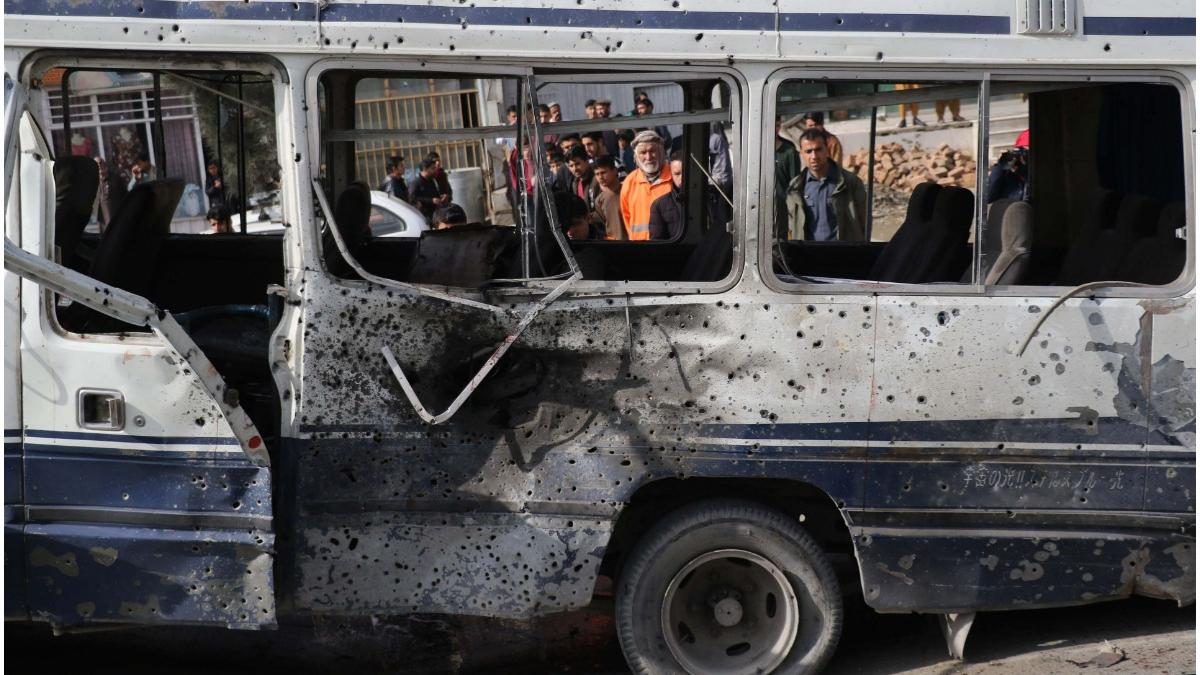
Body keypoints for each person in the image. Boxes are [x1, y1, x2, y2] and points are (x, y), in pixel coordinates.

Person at [785, 128, 868, 242]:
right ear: (802, 154)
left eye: (818, 149)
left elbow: (865, 221)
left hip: (843, 254)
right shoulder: (795, 187)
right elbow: (792, 226)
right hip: (808, 255)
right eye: (808, 151)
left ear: (827, 150)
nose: (814, 156)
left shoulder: (850, 182)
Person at [619, 130, 672, 240]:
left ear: (661, 152)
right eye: (643, 153)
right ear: (636, 156)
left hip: (669, 246)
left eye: (652, 151)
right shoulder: (630, 181)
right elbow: (626, 217)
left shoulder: (674, 177)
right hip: (640, 249)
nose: (648, 157)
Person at [774, 116, 802, 236]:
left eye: (775, 125)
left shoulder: (789, 152)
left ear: (779, 127)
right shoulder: (755, 151)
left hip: (783, 211)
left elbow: (795, 185)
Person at [649, 151, 685, 240]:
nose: (682, 178)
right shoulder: (659, 205)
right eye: (677, 174)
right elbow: (657, 243)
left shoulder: (711, 198)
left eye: (685, 172)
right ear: (671, 175)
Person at [987, 132, 1029, 203]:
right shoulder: (1007, 174)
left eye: (1026, 152)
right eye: (1020, 150)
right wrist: (999, 167)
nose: (1022, 156)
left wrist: (1022, 170)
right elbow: (988, 197)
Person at [591, 155, 625, 240]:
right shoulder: (599, 200)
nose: (600, 177)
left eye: (603, 172)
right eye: (597, 174)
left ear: (614, 171)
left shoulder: (628, 191)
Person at [707, 121, 733, 225]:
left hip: (716, 183)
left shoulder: (716, 139)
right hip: (716, 182)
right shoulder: (717, 139)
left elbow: (724, 163)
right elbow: (725, 164)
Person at [411, 158, 447, 222]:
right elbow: (412, 199)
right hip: (424, 218)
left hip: (435, 216)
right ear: (425, 169)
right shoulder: (416, 183)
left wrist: (440, 198)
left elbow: (434, 195)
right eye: (432, 168)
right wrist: (431, 200)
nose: (435, 170)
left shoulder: (431, 180)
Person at [566, 146, 600, 211]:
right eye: (571, 166)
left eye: (577, 164)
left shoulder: (597, 179)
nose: (575, 169)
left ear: (586, 161)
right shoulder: (575, 183)